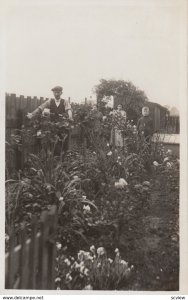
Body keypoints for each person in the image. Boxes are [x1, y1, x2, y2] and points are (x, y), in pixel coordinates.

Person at [27, 86, 73, 156]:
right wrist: (32, 114)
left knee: (64, 145)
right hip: (53, 127)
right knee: (54, 144)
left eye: (58, 92)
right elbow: (40, 108)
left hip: (63, 126)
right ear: (53, 93)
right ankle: (55, 161)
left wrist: (70, 117)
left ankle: (64, 161)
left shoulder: (65, 101)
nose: (56, 94)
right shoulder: (50, 101)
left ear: (61, 93)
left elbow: (69, 109)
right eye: (55, 92)